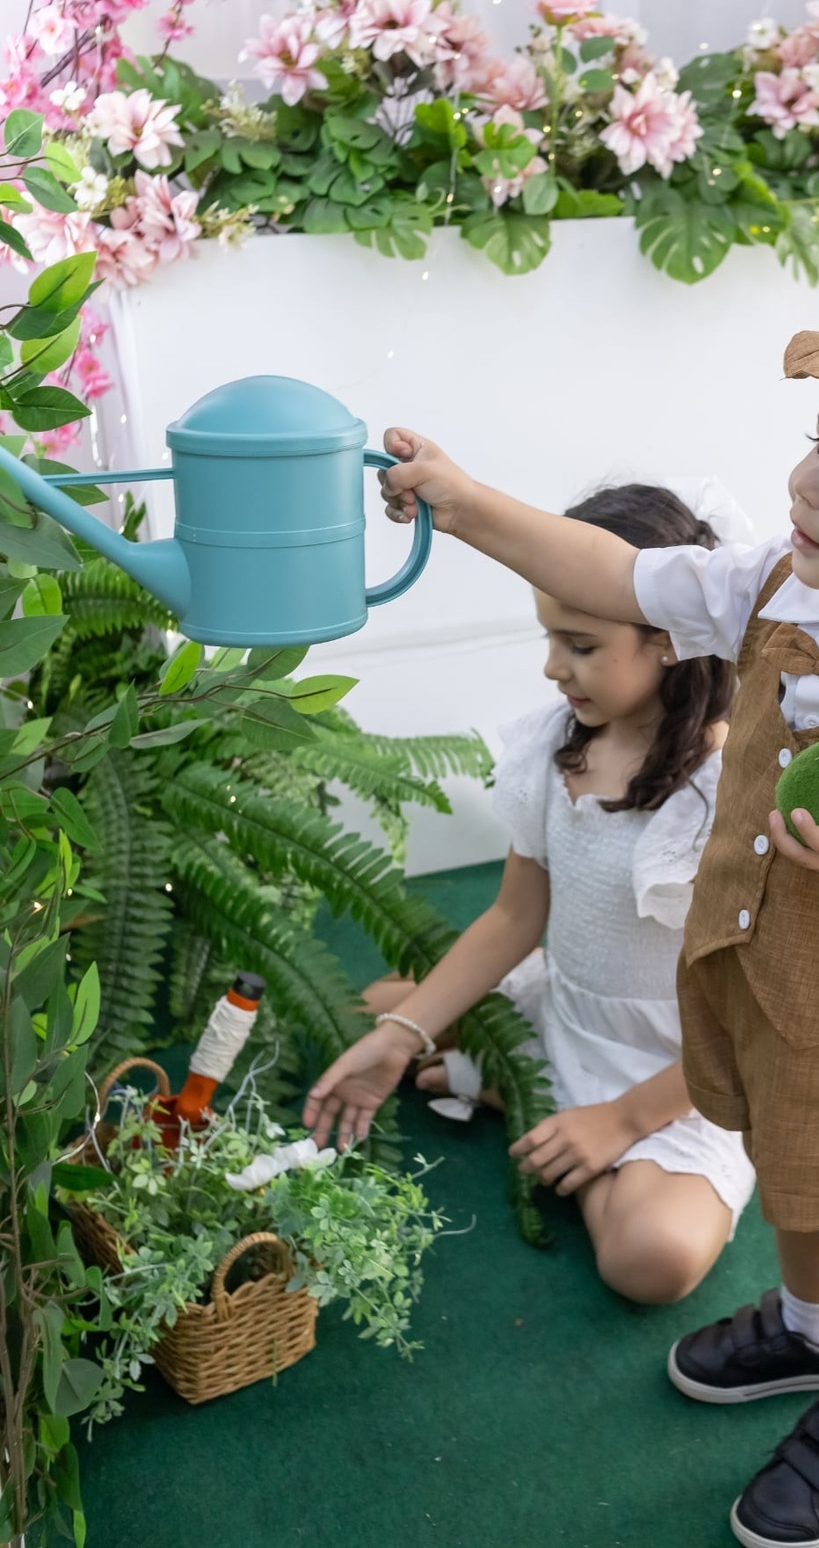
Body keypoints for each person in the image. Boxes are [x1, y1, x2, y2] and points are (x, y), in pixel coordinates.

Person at [312, 285, 819, 1547]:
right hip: (738, 976)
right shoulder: (771, 593)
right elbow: (613, 569)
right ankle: (804, 1333)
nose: (805, 488)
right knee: (790, 1180)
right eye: (817, 446)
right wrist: (462, 504)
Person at [305, 483, 757, 1306]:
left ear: (667, 638)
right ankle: (535, 1096)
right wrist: (407, 1033)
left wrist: (620, 1122)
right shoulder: (557, 745)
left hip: (684, 1066)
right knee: (370, 1016)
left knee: (650, 1260)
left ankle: (543, 1113)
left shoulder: (729, 788)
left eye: (580, 645)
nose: (554, 667)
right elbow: (516, 916)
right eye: (551, 639)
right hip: (565, 1009)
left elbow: (755, 1013)